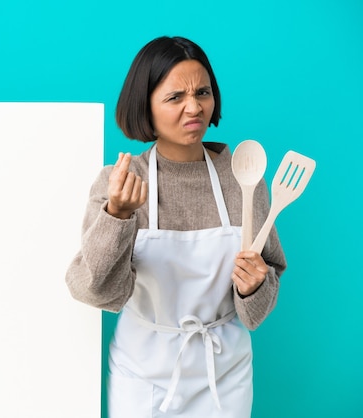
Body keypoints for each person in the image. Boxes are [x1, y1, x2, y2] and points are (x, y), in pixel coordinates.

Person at [65, 36, 286, 418]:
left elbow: (258, 303)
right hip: (143, 375)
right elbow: (95, 291)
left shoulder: (242, 178)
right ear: (144, 107)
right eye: (174, 98)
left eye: (203, 92)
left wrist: (255, 287)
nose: (194, 107)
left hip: (225, 373)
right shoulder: (120, 180)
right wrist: (117, 215)